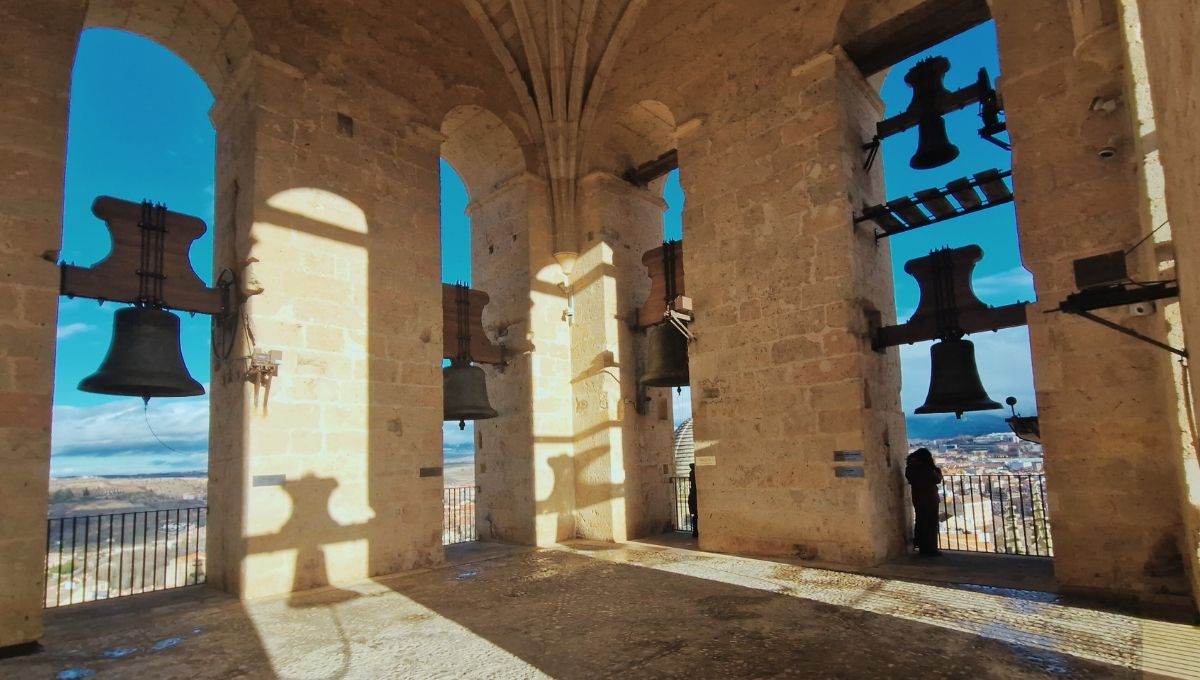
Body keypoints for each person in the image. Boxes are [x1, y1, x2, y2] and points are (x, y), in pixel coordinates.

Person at [905, 448, 943, 557]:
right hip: (930, 499)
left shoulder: (910, 468)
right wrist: (937, 471)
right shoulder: (928, 469)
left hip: (917, 498)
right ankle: (931, 549)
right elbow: (937, 479)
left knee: (920, 521)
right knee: (931, 524)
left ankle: (921, 546)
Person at [687, 463, 698, 538]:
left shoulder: (691, 473)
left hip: (693, 497)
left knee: (695, 516)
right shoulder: (694, 473)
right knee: (696, 516)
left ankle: (695, 531)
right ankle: (695, 531)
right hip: (694, 497)